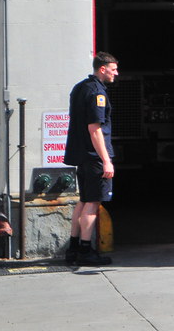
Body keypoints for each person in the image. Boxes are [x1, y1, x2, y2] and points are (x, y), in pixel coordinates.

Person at [63, 51, 118, 266]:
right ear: (102, 69)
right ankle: (86, 250)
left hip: (82, 155)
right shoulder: (97, 93)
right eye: (113, 70)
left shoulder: (80, 88)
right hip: (94, 156)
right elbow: (95, 128)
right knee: (93, 203)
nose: (116, 73)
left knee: (84, 200)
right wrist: (106, 160)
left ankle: (73, 247)